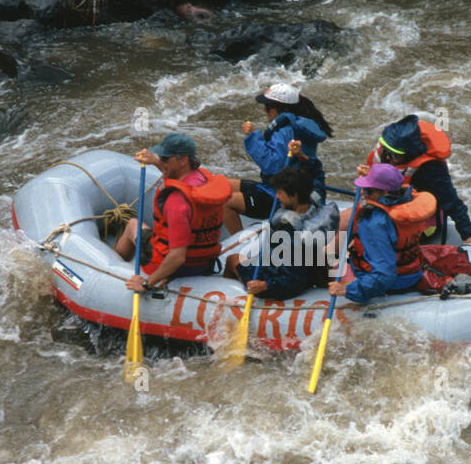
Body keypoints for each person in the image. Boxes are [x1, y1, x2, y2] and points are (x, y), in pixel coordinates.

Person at [114, 132, 231, 292]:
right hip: (204, 263)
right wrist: (156, 161)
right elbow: (173, 169)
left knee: (133, 224)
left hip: (174, 266)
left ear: (183, 160)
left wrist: (146, 284)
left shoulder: (177, 201)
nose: (161, 161)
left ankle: (113, 271)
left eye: (165, 158)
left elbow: (177, 257)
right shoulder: (203, 178)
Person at [349, 114, 471, 245]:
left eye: (394, 155)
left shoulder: (430, 169)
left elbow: (452, 202)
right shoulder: (387, 151)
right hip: (381, 208)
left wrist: (469, 234)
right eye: (386, 151)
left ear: (410, 154)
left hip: (416, 222)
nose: (388, 158)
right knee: (346, 220)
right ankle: (329, 257)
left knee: (370, 229)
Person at [222, 83, 333, 235]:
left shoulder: (287, 130)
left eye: (268, 107)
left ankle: (239, 248)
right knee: (222, 185)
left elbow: (272, 165)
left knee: (225, 203)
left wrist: (253, 136)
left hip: (283, 196)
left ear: (280, 108)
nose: (264, 110)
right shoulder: (298, 124)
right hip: (276, 187)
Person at [224, 166, 340, 301]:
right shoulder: (315, 200)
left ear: (294, 196)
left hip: (282, 281)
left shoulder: (289, 231)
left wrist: (265, 285)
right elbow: (318, 176)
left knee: (232, 259)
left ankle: (228, 299)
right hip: (313, 271)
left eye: (280, 192)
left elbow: (294, 281)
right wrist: (306, 161)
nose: (277, 196)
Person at [328, 163, 437, 305]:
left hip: (390, 283)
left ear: (384, 193)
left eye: (368, 190)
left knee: (324, 261)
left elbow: (384, 274)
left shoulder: (374, 223)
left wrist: (347, 289)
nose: (363, 193)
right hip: (412, 273)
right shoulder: (407, 201)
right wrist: (374, 178)